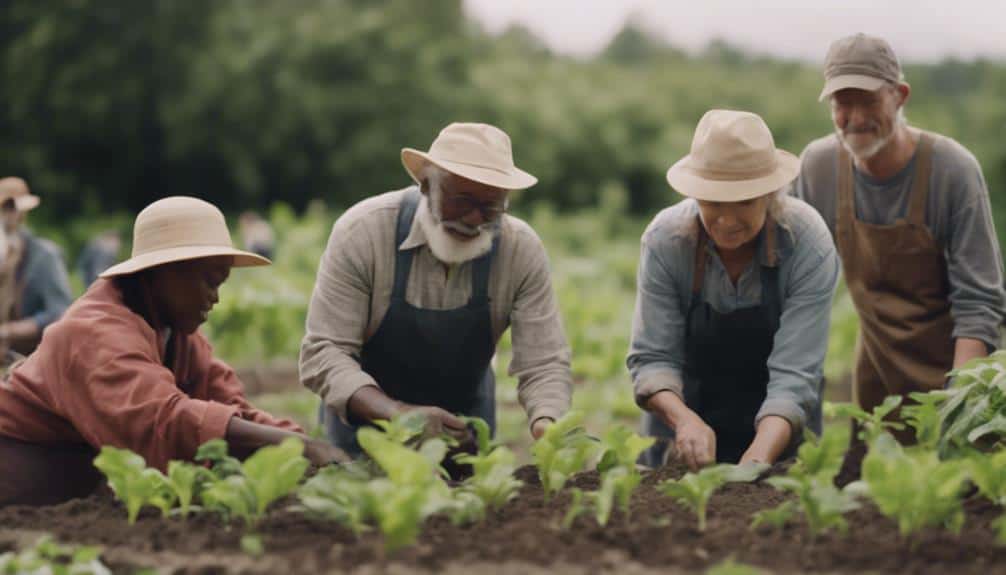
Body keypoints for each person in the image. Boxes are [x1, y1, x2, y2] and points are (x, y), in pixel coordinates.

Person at [0, 196, 347, 506]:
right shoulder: (92, 332)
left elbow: (229, 405)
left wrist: (300, 443)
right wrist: (298, 445)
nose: (216, 297)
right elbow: (164, 417)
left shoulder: (173, 331)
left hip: (66, 487)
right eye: (209, 281)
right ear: (162, 273)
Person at [300, 122, 572, 455]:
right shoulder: (364, 232)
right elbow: (324, 352)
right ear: (427, 185)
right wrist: (398, 415)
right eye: (462, 200)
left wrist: (547, 425)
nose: (474, 219)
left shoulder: (520, 249)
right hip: (363, 435)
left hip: (463, 437)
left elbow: (543, 362)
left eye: (491, 206)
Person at [794, 34, 1006, 422]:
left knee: (959, 482)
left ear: (900, 95)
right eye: (843, 103)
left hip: (960, 376)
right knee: (879, 478)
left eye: (869, 101)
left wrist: (960, 409)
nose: (855, 118)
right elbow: (792, 281)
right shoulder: (819, 168)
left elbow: (979, 304)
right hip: (877, 382)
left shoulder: (952, 171)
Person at [629, 110, 839, 469]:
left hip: (779, 434)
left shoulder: (806, 243)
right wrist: (684, 421)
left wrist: (758, 458)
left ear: (771, 194)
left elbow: (796, 375)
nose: (726, 220)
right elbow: (653, 358)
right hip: (685, 428)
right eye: (712, 202)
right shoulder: (666, 241)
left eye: (744, 201)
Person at [0, 177, 73, 360]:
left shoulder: (44, 255)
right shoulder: (5, 253)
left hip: (37, 360)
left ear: (21, 212)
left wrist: (8, 331)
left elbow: (61, 312)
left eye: (9, 208)